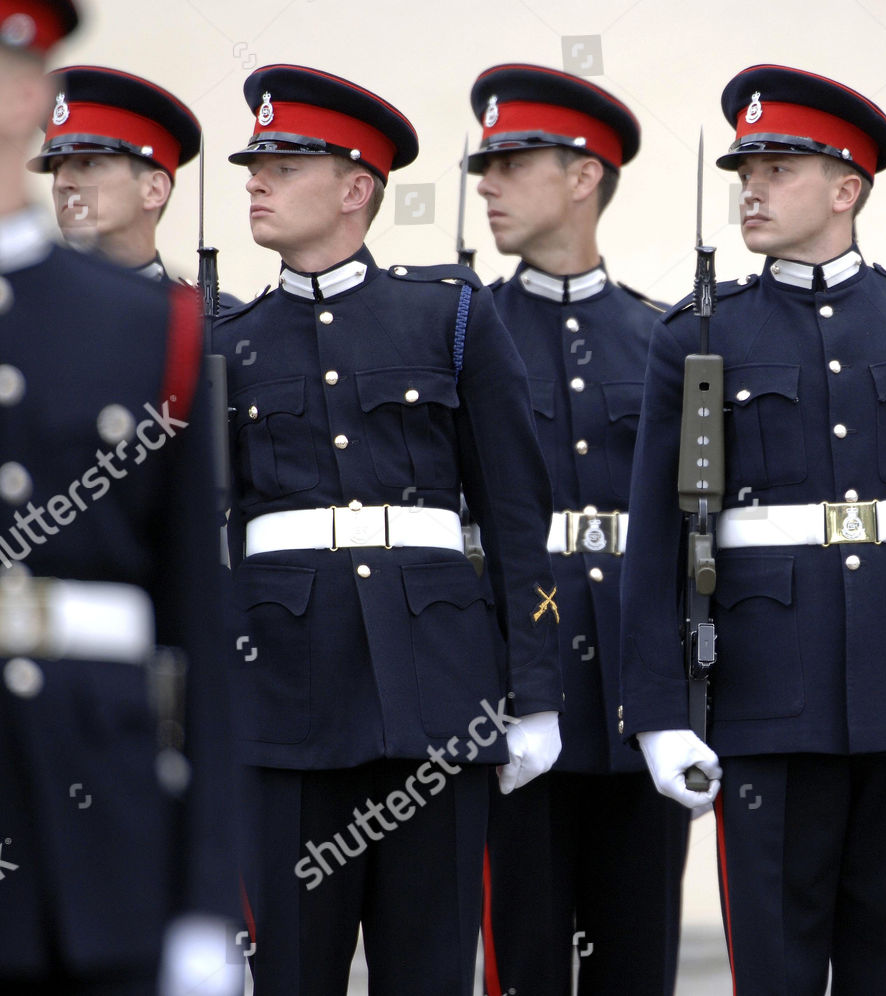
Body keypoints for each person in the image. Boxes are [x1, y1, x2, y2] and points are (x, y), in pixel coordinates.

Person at [620, 64, 886, 994]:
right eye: (746, 169)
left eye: (781, 168)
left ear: (847, 189)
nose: (752, 187)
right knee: (777, 965)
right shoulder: (698, 337)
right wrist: (661, 717)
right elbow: (656, 544)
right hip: (766, 695)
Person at [213, 63, 562, 995]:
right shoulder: (226, 343)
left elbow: (517, 514)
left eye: (283, 165)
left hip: (438, 698)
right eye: (255, 163)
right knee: (289, 969)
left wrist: (535, 689)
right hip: (282, 698)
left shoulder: (448, 315)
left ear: (356, 188)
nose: (256, 180)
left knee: (433, 970)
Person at [0, 2, 241, 993]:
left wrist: (204, 904)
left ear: (33, 97)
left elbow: (198, 624)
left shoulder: (147, 327)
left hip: (95, 834)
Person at [464, 63, 689, 996]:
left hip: (638, 691)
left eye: (514, 162)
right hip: (514, 682)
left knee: (638, 958)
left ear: (585, 174)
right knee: (521, 956)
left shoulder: (661, 335)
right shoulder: (468, 332)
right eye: (484, 164)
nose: (487, 183)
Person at [29, 65, 199, 282]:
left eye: (88, 164)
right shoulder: (22, 308)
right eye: (56, 169)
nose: (62, 183)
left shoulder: (197, 314)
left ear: (154, 189)